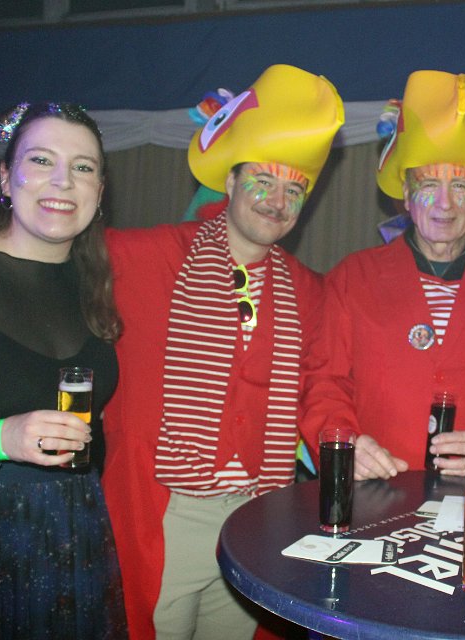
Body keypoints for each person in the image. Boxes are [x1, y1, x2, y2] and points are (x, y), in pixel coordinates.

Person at [99, 64, 342, 640]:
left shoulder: (309, 290)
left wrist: (352, 438)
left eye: (294, 190)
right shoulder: (147, 256)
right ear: (229, 183)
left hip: (257, 517)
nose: (277, 201)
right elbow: (51, 252)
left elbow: (322, 388)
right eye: (263, 180)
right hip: (169, 514)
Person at [301, 70, 465, 480]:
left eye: (460, 185)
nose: (444, 203)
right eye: (427, 185)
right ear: (405, 196)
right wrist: (344, 443)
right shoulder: (351, 279)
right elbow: (323, 385)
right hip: (377, 494)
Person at [0, 103, 126, 637]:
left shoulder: (94, 287)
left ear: (100, 191)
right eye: (41, 160)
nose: (63, 181)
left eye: (83, 167)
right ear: (5, 176)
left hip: (67, 538)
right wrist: (1, 436)